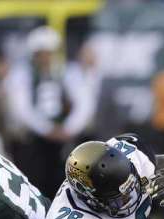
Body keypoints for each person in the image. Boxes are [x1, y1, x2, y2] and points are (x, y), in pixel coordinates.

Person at [6, 26, 99, 198]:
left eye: (49, 52)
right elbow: (22, 107)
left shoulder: (69, 72)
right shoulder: (23, 73)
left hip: (63, 138)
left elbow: (84, 103)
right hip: (34, 139)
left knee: (65, 180)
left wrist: (69, 128)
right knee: (34, 181)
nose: (46, 57)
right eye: (42, 53)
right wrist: (46, 129)